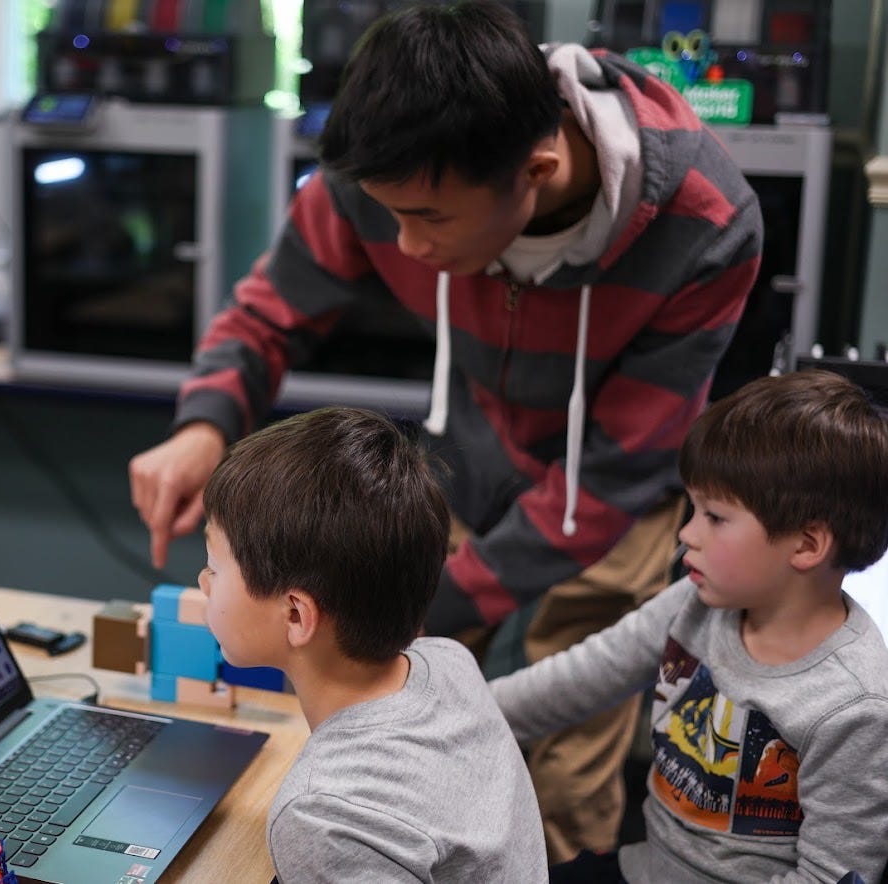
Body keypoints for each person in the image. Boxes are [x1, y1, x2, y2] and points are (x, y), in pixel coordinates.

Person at [129, 0, 762, 858]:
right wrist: (203, 426)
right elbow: (264, 315)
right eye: (386, 214)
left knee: (561, 788)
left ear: (535, 171)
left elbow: (615, 471)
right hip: (456, 475)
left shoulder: (704, 221)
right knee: (380, 739)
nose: (403, 245)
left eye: (428, 219)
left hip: (604, 507)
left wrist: (394, 600)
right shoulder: (394, 161)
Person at [491, 369, 888, 883]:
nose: (685, 534)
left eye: (715, 518)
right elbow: (581, 678)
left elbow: (829, 874)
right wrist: (457, 713)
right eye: (692, 509)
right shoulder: (696, 602)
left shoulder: (855, 706)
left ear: (807, 545)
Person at [198, 405, 547, 882]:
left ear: (297, 615)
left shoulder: (322, 815)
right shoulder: (449, 662)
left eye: (215, 566)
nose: (203, 582)